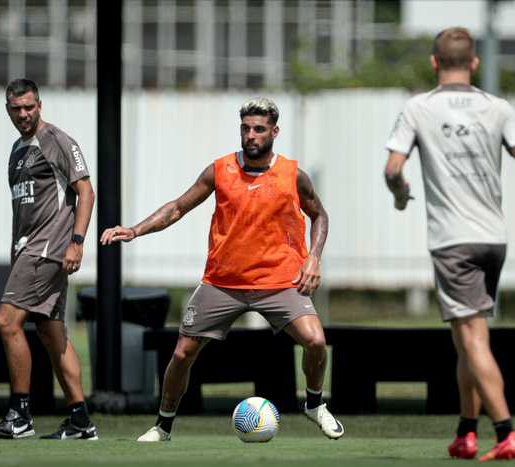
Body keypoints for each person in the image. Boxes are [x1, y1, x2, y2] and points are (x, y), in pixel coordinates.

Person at [101, 97, 344, 442]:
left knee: (316, 341)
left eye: (259, 129)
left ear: (274, 132)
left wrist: (314, 257)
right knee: (183, 353)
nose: (251, 135)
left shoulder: (293, 174)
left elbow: (320, 215)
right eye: (245, 128)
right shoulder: (220, 170)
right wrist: (136, 230)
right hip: (223, 283)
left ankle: (315, 404)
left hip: (279, 281)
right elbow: (177, 207)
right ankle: (163, 425)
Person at [385, 27, 515, 461]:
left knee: (474, 340)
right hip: (492, 240)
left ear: (434, 62)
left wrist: (400, 194)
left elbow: (392, 168)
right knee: (467, 338)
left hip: (452, 241)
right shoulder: (498, 107)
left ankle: (505, 432)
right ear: (475, 63)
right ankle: (466, 432)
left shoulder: (418, 108)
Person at [0, 79, 98, 440]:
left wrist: (76, 243)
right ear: (8, 111)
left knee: (7, 322)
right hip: (28, 250)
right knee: (51, 333)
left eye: (29, 107)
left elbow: (86, 191)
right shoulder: (18, 149)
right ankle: (80, 420)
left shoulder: (58, 141)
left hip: (48, 248)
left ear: (40, 105)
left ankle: (20, 415)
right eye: (16, 109)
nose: (23, 114)